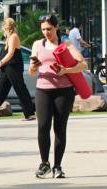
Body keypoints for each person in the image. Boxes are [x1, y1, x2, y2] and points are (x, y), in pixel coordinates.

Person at [29, 14, 86, 179]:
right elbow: (32, 72)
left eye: (49, 29)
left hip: (63, 91)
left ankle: (57, 166)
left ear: (56, 28)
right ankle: (44, 163)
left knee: (60, 129)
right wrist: (33, 66)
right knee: (43, 126)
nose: (46, 32)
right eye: (43, 29)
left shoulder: (65, 44)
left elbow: (83, 65)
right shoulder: (37, 45)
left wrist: (65, 70)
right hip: (43, 90)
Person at [0, 17, 35, 122]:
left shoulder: (14, 37)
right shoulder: (8, 38)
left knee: (20, 89)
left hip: (13, 66)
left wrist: (0, 63)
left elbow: (10, 54)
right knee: (0, 90)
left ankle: (30, 113)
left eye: (4, 27)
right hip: (6, 67)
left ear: (7, 27)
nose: (3, 29)